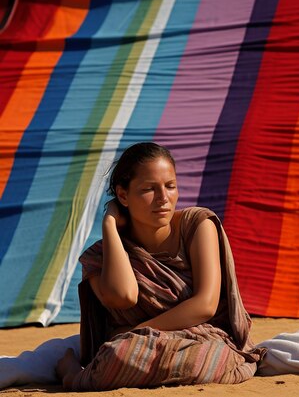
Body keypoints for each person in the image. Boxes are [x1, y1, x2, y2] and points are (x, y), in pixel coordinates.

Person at [54, 142, 264, 390]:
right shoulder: (99, 256)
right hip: (134, 349)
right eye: (149, 189)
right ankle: (71, 373)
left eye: (170, 186)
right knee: (117, 356)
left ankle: (79, 378)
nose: (163, 198)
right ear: (123, 196)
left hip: (201, 336)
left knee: (208, 358)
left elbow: (205, 305)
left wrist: (137, 330)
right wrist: (109, 224)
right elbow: (123, 296)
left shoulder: (196, 225)